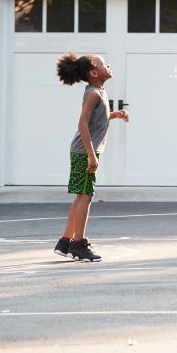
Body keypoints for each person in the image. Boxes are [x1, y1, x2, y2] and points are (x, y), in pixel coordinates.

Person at [54, 53, 129, 262]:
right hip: (84, 152)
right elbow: (82, 123)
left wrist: (115, 115)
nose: (109, 65)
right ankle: (79, 244)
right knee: (86, 196)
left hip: (85, 151)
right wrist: (90, 156)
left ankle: (65, 241)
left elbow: (98, 119)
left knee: (81, 196)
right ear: (94, 72)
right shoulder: (93, 93)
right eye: (105, 64)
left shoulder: (99, 92)